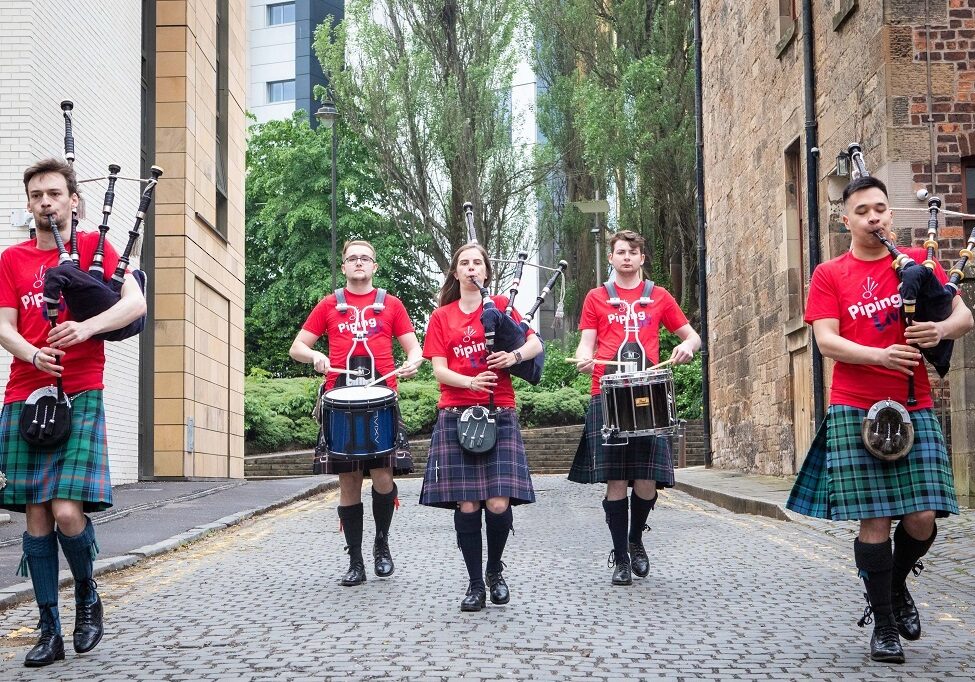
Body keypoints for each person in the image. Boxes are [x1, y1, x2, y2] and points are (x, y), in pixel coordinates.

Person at [786, 175, 973, 663]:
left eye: (881, 209)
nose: (875, 217)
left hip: (914, 405)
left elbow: (964, 316)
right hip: (855, 406)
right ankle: (885, 627)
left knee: (922, 517)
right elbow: (826, 341)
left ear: (891, 214)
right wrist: (878, 357)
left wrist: (939, 329)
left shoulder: (915, 263)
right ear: (845, 219)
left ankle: (893, 588)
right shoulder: (830, 274)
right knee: (874, 522)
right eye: (863, 210)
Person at [0, 158, 147, 667]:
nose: (46, 201)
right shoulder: (12, 259)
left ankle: (87, 596)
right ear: (29, 202)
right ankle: (48, 627)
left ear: (73, 199)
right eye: (37, 194)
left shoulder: (93, 250)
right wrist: (31, 353)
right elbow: (4, 324)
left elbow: (135, 306)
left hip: (80, 390)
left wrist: (86, 329)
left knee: (66, 510)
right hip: (24, 393)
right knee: (36, 516)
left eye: (55, 193)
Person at [568, 230, 700, 586]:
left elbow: (692, 335)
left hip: (649, 395)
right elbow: (586, 344)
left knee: (645, 482)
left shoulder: (659, 296)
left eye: (633, 252)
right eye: (620, 252)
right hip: (607, 394)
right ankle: (621, 558)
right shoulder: (596, 298)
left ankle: (636, 539)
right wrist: (584, 359)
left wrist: (687, 347)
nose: (627, 257)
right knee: (614, 481)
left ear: (642, 258)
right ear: (611, 258)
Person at [290, 240, 422, 587]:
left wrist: (412, 363)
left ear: (374, 266)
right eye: (352, 259)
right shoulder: (329, 305)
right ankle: (356, 560)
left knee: (382, 478)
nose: (359, 263)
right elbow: (297, 347)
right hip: (339, 401)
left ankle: (382, 543)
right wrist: (315, 357)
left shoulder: (391, 305)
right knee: (348, 481)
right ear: (344, 266)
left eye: (365, 258)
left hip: (382, 402)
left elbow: (414, 349)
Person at [419, 243, 543, 612]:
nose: (471, 268)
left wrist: (513, 355)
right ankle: (474, 583)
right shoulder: (441, 316)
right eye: (464, 263)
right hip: (456, 412)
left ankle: (494, 571)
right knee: (469, 502)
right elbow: (438, 369)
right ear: (456, 274)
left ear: (487, 272)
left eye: (477, 263)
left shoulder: (502, 307)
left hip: (499, 411)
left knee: (498, 501)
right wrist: (469, 383)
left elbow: (535, 343)